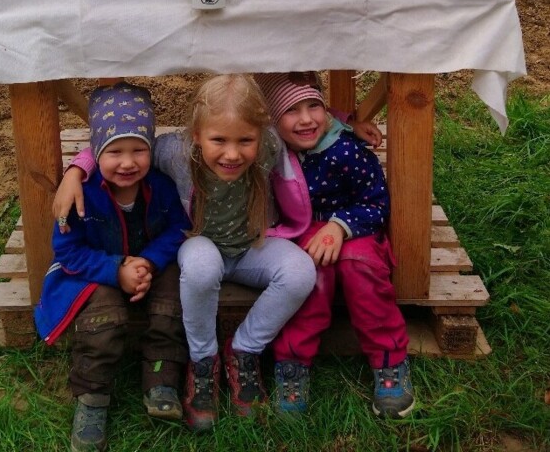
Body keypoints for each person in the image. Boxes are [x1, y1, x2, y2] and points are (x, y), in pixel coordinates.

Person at [53, 74, 318, 432]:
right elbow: (121, 143)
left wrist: (353, 125)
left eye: (245, 140)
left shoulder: (271, 145)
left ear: (261, 134)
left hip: (253, 245)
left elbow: (315, 128)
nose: (232, 153)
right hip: (200, 242)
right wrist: (76, 169)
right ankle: (202, 359)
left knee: (300, 271)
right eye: (218, 140)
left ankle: (244, 350)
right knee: (200, 266)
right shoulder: (174, 152)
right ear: (195, 135)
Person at [34, 82, 191, 452]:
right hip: (95, 270)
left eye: (138, 149)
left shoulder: (161, 186)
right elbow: (69, 253)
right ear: (95, 152)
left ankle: (161, 379)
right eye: (114, 151)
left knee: (170, 307)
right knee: (102, 323)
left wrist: (149, 261)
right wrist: (116, 270)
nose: (127, 162)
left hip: (151, 263)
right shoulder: (80, 195)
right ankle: (92, 398)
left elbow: (178, 228)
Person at [254, 72, 414, 419]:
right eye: (292, 110)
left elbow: (375, 203)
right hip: (301, 232)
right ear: (272, 120)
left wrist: (339, 227)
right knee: (309, 278)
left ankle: (389, 362)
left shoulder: (346, 151)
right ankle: (292, 364)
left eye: (315, 106)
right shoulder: (270, 149)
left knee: (361, 271)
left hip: (354, 228)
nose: (307, 118)